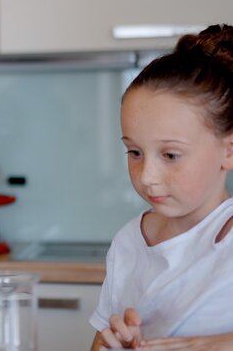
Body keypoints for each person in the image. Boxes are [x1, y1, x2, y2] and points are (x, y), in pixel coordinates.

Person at [90, 24, 233, 350]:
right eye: (135, 152)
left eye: (170, 155)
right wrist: (112, 343)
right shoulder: (128, 243)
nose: (147, 176)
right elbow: (100, 341)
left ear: (229, 151)